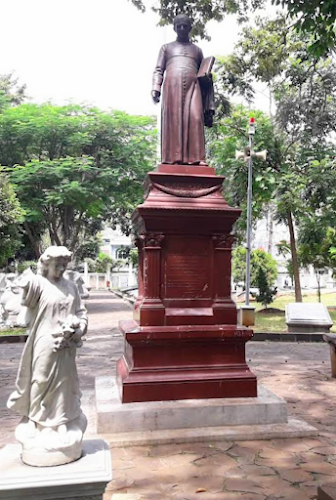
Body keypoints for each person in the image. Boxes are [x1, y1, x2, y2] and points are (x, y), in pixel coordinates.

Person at [7, 246, 88, 466]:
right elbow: (23, 301)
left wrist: (78, 328)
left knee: (63, 383)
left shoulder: (71, 287)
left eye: (64, 265)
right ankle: (34, 419)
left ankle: (61, 421)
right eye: (56, 265)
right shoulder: (39, 284)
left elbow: (81, 312)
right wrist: (24, 283)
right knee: (40, 379)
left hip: (66, 344)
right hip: (44, 339)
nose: (60, 269)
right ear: (46, 265)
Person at [152, 14, 214, 165]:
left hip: (194, 87)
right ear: (174, 28)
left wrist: (207, 78)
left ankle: (197, 158)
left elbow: (203, 72)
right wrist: (156, 87)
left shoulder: (197, 50)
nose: (181, 28)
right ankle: (173, 158)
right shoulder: (166, 48)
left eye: (185, 26)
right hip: (172, 87)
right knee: (174, 120)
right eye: (178, 26)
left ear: (190, 28)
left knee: (196, 118)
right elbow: (159, 69)